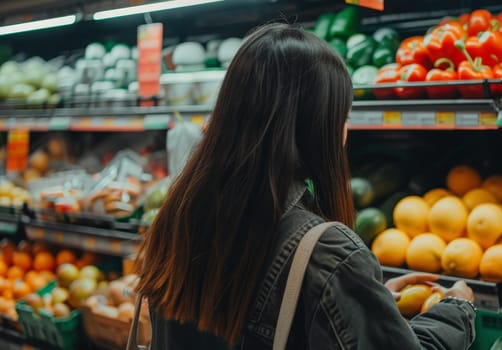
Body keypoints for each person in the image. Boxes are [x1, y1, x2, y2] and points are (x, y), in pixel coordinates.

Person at [136, 22, 476, 350]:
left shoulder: (182, 212)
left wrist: (367, 301)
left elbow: (236, 314)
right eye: (342, 115)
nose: (345, 129)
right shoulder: (326, 252)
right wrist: (456, 311)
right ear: (316, 127)